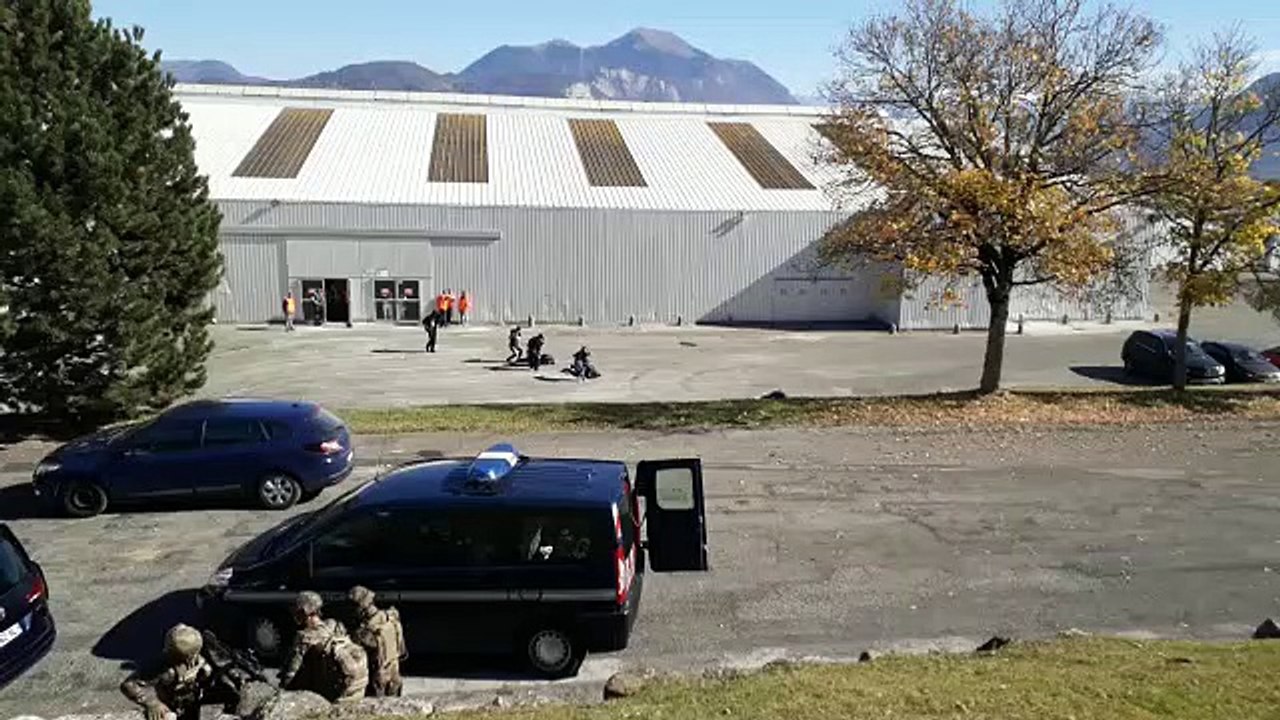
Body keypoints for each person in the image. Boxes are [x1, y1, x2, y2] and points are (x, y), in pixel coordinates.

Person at [279, 591, 369, 704]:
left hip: (327, 691)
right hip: (351, 684)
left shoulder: (304, 636)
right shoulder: (335, 625)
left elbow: (291, 675)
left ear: (304, 612)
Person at [120, 624, 214, 720]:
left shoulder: (200, 660)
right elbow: (129, 685)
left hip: (192, 701)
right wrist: (153, 703)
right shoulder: (164, 669)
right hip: (169, 705)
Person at [348, 586, 407, 697]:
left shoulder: (367, 630)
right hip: (395, 676)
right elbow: (401, 650)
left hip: (378, 682)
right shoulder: (391, 618)